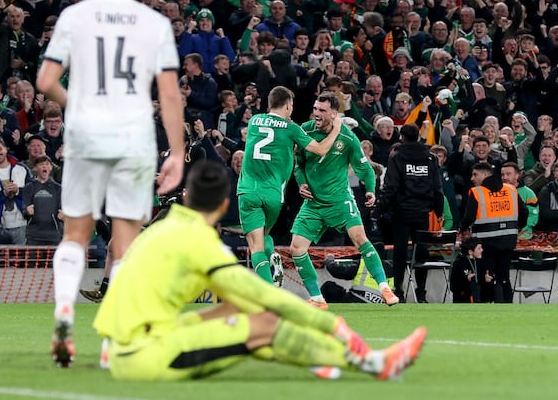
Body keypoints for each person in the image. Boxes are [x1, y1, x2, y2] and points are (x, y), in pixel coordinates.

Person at [92, 161, 426, 381]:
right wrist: (332, 324)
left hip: (121, 349)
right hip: (147, 358)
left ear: (187, 195)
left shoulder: (158, 231)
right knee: (264, 323)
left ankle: (315, 357)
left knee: (236, 310)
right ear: (226, 205)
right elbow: (264, 296)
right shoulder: (202, 243)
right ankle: (374, 363)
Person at [36, 0, 185, 368]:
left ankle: (64, 314)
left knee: (76, 234)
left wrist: (77, 105)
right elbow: (170, 94)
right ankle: (111, 339)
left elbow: (46, 80)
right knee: (125, 244)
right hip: (133, 137)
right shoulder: (154, 24)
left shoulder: (74, 16)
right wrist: (175, 152)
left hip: (85, 133)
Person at [290, 92, 399, 309]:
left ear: (333, 113)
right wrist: (301, 182)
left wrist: (370, 190)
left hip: (340, 200)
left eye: (322, 110)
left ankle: (384, 288)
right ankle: (317, 298)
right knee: (296, 248)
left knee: (360, 238)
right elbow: (298, 164)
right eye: (315, 109)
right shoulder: (305, 130)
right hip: (313, 204)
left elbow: (364, 168)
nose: (316, 114)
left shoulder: (347, 138)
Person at [237, 86, 342, 286]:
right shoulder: (292, 129)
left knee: (255, 246)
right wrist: (336, 128)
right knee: (263, 236)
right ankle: (272, 257)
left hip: (248, 191)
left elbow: (265, 134)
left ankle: (268, 291)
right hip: (274, 195)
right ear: (288, 105)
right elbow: (320, 150)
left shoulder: (253, 121)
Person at [375, 123, 444, 303]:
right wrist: (439, 210)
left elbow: (391, 187)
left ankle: (399, 290)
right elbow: (437, 187)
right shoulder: (430, 159)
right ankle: (421, 291)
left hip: (402, 213)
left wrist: (379, 209)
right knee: (421, 252)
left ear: (402, 138)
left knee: (400, 253)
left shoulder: (397, 158)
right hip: (423, 213)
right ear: (418, 137)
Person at [459, 162, 528, 303]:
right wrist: (518, 226)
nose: (472, 178)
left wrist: (462, 229)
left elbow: (468, 217)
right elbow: (524, 212)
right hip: (508, 241)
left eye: (475, 174)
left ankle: (489, 306)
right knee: (504, 278)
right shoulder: (511, 189)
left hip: (486, 243)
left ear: (485, 175)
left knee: (487, 276)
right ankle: (507, 306)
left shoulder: (477, 192)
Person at [450, 238, 490, 303]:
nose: (482, 250)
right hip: (464, 299)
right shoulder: (459, 263)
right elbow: (453, 286)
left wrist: (487, 280)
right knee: (474, 286)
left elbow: (483, 285)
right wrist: (466, 279)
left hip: (480, 297)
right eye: (479, 248)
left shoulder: (482, 262)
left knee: (497, 286)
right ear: (470, 252)